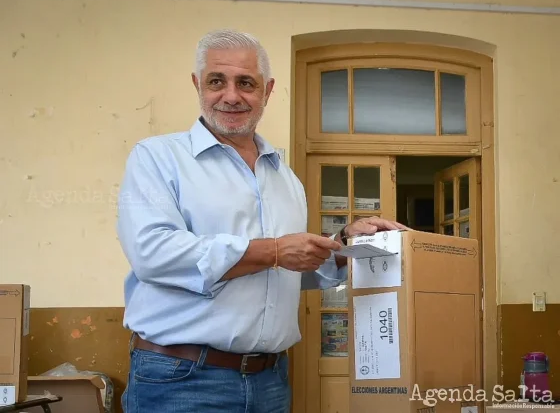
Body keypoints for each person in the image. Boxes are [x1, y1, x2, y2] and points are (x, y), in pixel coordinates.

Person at [116, 28, 406, 413]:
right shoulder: (157, 157)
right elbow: (152, 253)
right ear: (196, 85)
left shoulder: (285, 178)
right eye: (217, 81)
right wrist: (273, 251)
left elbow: (283, 273)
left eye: (246, 83)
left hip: (270, 381)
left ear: (267, 91)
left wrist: (343, 246)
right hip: (180, 379)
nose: (231, 95)